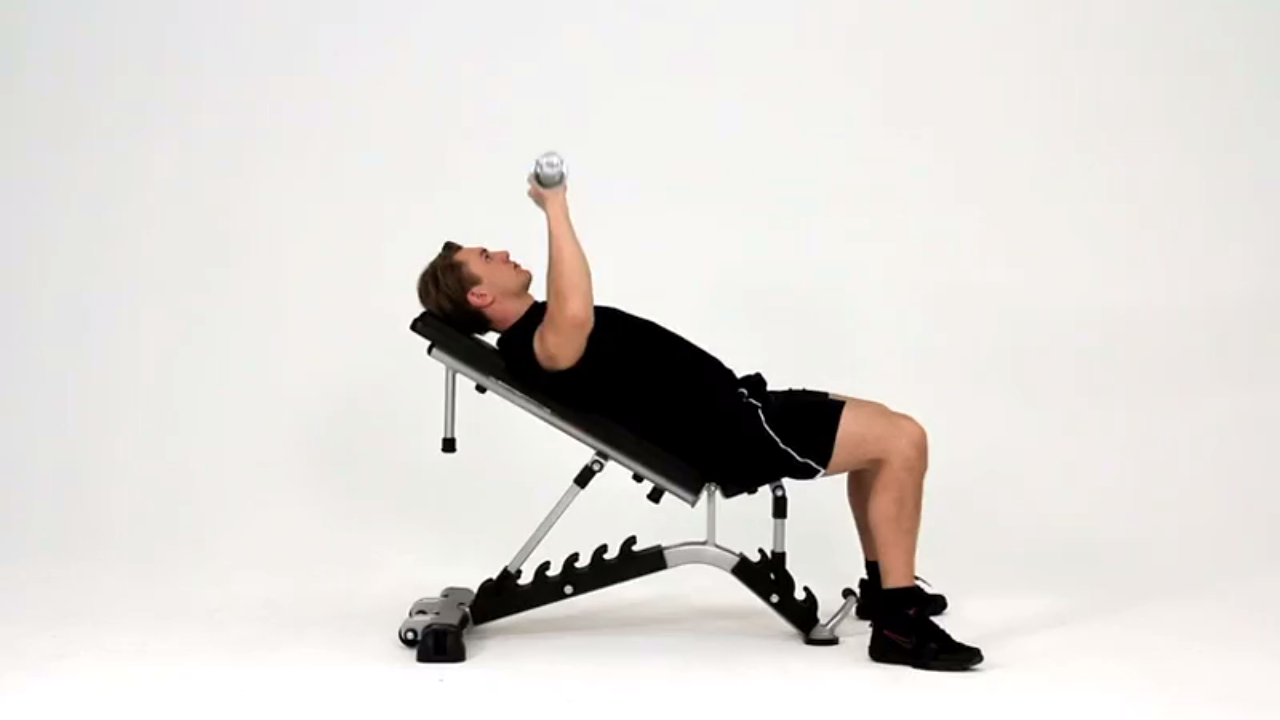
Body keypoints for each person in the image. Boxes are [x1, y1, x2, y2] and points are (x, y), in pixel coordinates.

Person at [415, 174, 984, 671]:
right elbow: (576, 311)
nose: (502, 253)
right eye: (486, 257)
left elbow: (572, 312)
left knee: (885, 428)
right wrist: (556, 208)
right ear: (480, 295)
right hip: (730, 432)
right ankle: (900, 624)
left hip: (739, 407)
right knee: (901, 440)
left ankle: (885, 591)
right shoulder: (535, 344)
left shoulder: (538, 330)